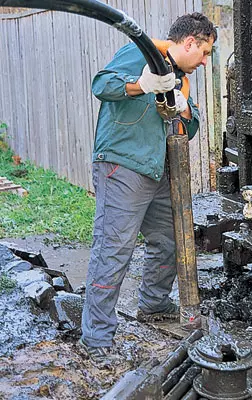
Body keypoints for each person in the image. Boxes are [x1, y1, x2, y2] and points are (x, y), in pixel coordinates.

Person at [80, 12, 217, 368]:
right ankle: (96, 337)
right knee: (113, 249)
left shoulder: (182, 80)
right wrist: (142, 85)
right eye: (204, 52)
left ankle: (154, 303)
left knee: (169, 240)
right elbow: (101, 85)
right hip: (122, 167)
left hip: (157, 171)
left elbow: (191, 128)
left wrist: (187, 112)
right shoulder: (141, 53)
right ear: (189, 42)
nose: (204, 61)